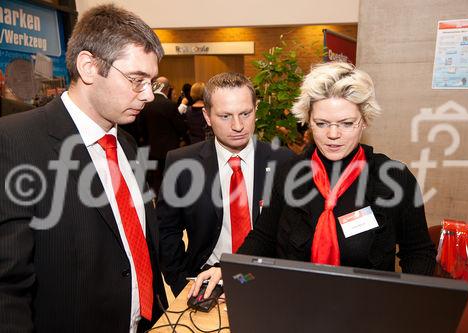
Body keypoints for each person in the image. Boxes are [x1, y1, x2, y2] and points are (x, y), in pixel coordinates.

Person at [190, 62, 437, 299]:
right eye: (321, 123)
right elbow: (264, 238)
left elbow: (418, 252)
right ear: (308, 121)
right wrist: (229, 268)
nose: (333, 134)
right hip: (294, 305)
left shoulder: (394, 179)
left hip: (367, 310)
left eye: (347, 123)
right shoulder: (288, 173)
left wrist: (409, 306)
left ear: (364, 121)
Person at [0, 5, 167, 332]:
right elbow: (7, 287)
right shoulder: (14, 142)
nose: (148, 95)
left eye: (150, 81)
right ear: (89, 66)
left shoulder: (127, 144)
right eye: (137, 80)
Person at [157, 72, 294, 296]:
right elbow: (167, 230)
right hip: (204, 278)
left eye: (245, 113)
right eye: (225, 116)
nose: (238, 125)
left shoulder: (284, 161)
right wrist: (181, 282)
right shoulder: (181, 163)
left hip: (267, 280)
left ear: (256, 110)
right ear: (207, 116)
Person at [140, 76, 188, 195]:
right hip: (170, 150)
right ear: (167, 89)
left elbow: (141, 128)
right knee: (171, 179)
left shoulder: (145, 104)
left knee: (156, 180)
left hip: (150, 149)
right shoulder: (169, 105)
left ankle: (156, 203)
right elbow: (181, 127)